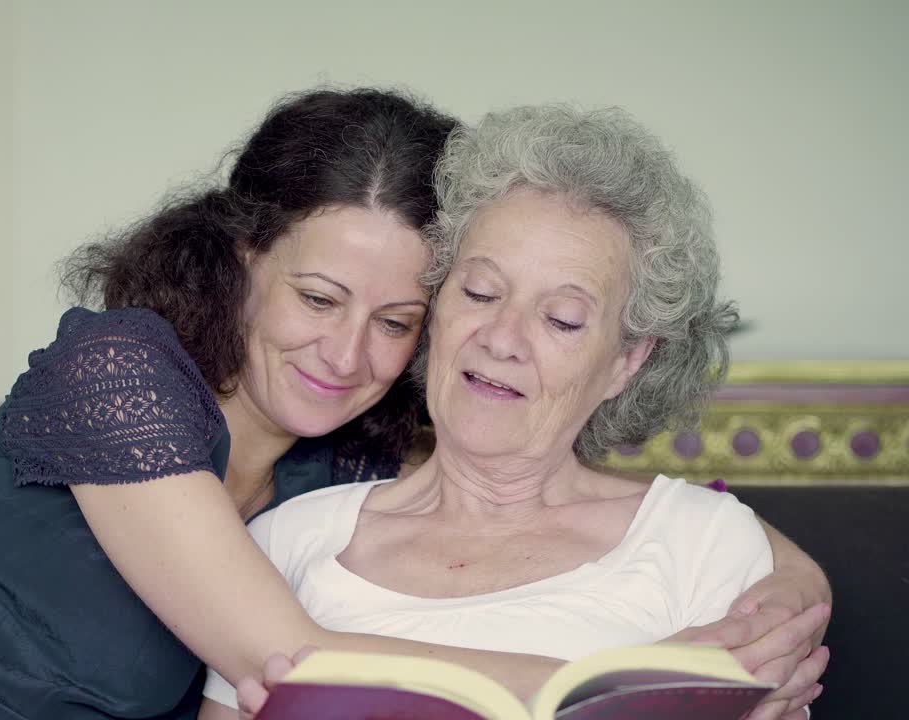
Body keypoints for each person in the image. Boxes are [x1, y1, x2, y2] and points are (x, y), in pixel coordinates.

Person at [0, 90, 827, 720]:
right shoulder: (116, 373)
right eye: (317, 297)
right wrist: (635, 692)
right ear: (239, 254)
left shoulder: (337, 472)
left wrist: (790, 582)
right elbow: (291, 664)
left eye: (398, 319)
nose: (348, 353)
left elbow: (621, 511)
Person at [201, 105, 828, 720]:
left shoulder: (704, 545)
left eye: (561, 319)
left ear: (627, 361)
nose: (501, 338)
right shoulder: (288, 540)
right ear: (434, 309)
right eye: (479, 292)